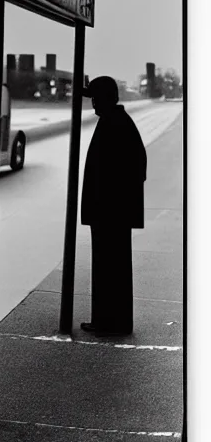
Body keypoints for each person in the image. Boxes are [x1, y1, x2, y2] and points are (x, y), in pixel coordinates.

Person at [79, 76, 147, 338]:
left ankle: (109, 323)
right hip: (112, 211)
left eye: (95, 98)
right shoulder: (116, 121)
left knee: (109, 270)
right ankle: (108, 320)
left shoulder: (114, 124)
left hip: (110, 212)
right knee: (111, 269)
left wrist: (111, 198)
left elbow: (130, 167)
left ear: (106, 98)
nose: (93, 104)